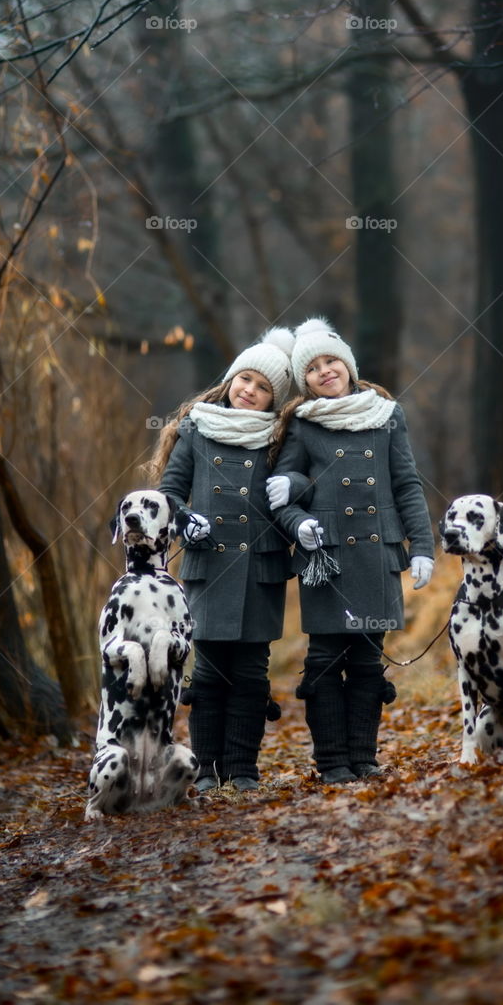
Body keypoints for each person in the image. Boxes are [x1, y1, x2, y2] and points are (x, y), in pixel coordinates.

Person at [268, 317, 434, 784]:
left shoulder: (387, 415)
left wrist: (421, 546)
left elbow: (407, 484)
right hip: (328, 560)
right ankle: (332, 763)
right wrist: (300, 527)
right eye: (313, 368)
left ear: (347, 364)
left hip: (377, 555)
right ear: (305, 382)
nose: (325, 371)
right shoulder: (301, 424)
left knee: (366, 661)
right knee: (323, 662)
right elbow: (281, 496)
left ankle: (363, 758)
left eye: (330, 361)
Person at [149, 328, 311, 793]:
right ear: (230, 379)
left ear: (271, 400)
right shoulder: (197, 429)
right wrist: (183, 520)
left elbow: (300, 483)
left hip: (260, 568)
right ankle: (204, 771)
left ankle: (242, 770)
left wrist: (295, 488)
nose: (250, 391)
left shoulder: (280, 436)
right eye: (245, 380)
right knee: (208, 672)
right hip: (208, 566)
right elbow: (169, 492)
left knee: (250, 674)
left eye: (263, 389)